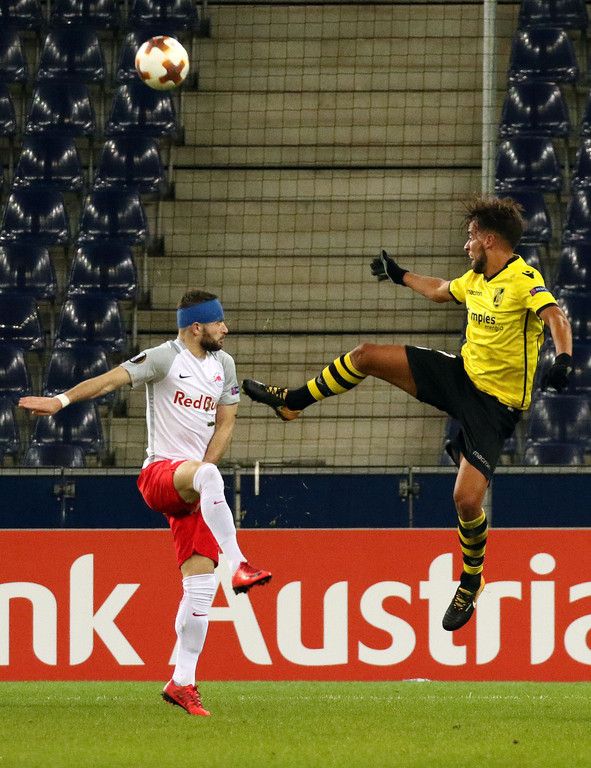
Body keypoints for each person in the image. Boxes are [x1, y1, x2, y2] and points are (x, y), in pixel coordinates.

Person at [242, 195, 572, 632]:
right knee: (365, 355)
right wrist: (400, 275)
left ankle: (471, 580)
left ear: (490, 240)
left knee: (466, 499)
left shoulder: (524, 279)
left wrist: (563, 359)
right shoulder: (475, 279)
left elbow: (556, 317)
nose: (466, 244)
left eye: (471, 236)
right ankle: (292, 403)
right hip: (460, 376)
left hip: (495, 407)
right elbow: (439, 290)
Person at [19, 289, 272, 716]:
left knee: (201, 588)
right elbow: (109, 380)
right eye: (219, 323)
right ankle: (240, 565)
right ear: (197, 327)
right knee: (210, 477)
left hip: (193, 483)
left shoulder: (224, 365)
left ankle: (182, 682)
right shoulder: (163, 358)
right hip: (159, 475)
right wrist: (59, 401)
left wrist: (202, 475)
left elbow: (226, 422)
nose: (226, 329)